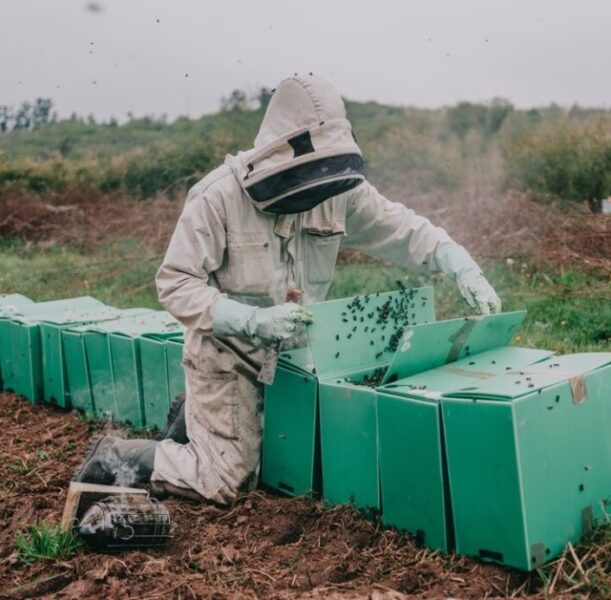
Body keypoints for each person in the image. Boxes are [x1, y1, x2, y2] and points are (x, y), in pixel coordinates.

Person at [74, 74, 501, 505]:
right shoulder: (216, 197)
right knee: (228, 481)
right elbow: (175, 283)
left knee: (304, 462)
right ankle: (118, 457)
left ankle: (195, 419)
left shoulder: (340, 191)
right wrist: (252, 320)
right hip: (227, 352)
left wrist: (458, 264)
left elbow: (404, 229)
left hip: (296, 351)